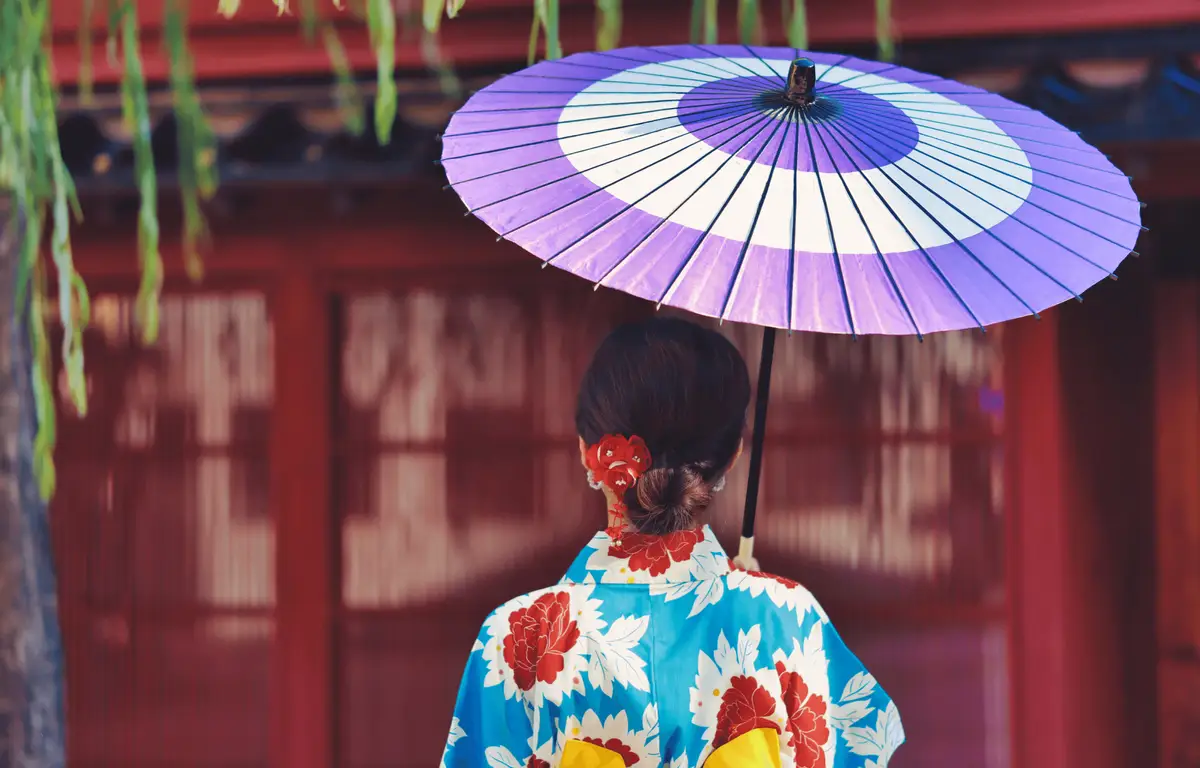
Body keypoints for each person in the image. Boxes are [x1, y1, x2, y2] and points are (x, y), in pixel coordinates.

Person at [440, 317, 903, 768]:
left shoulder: (515, 640)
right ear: (733, 455)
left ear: (587, 448)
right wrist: (761, 602)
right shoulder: (789, 620)